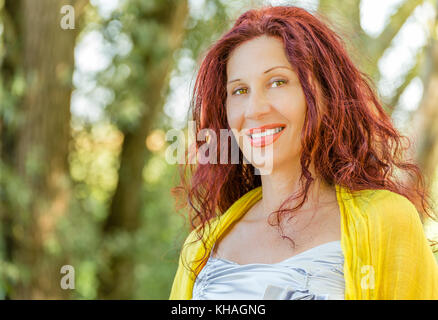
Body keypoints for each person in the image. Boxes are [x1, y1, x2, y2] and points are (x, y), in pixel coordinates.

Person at [169, 5, 438, 300]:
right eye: (239, 91)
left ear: (326, 95)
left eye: (278, 82)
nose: (255, 109)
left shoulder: (387, 220)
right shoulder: (201, 246)